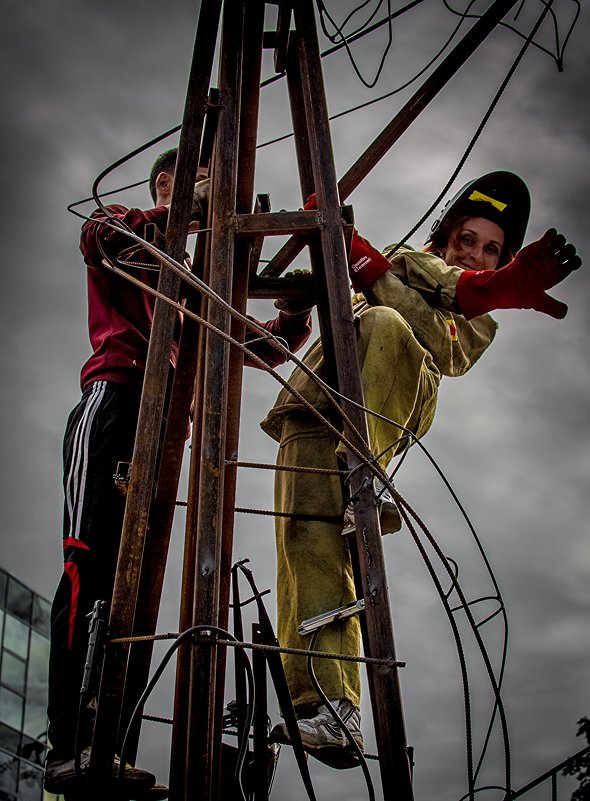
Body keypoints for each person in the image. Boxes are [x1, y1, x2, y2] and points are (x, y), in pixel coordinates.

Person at [261, 171, 581, 769]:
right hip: (312, 407)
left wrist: (375, 272)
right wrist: (332, 256)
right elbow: (358, 294)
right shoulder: (406, 261)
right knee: (306, 544)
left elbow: (437, 338)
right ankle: (324, 706)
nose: (476, 254)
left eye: (491, 249)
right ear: (448, 231)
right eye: (469, 238)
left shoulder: (478, 313)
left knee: (388, 324)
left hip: (378, 416)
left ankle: (364, 476)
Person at [44, 147, 315, 794]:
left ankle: (111, 746)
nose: (206, 195)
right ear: (168, 183)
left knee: (137, 589)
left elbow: (258, 343)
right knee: (91, 566)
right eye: (197, 181)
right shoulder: (129, 230)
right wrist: (182, 206)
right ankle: (72, 739)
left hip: (167, 431)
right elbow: (98, 236)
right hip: (116, 401)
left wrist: (298, 312)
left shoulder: (195, 279)